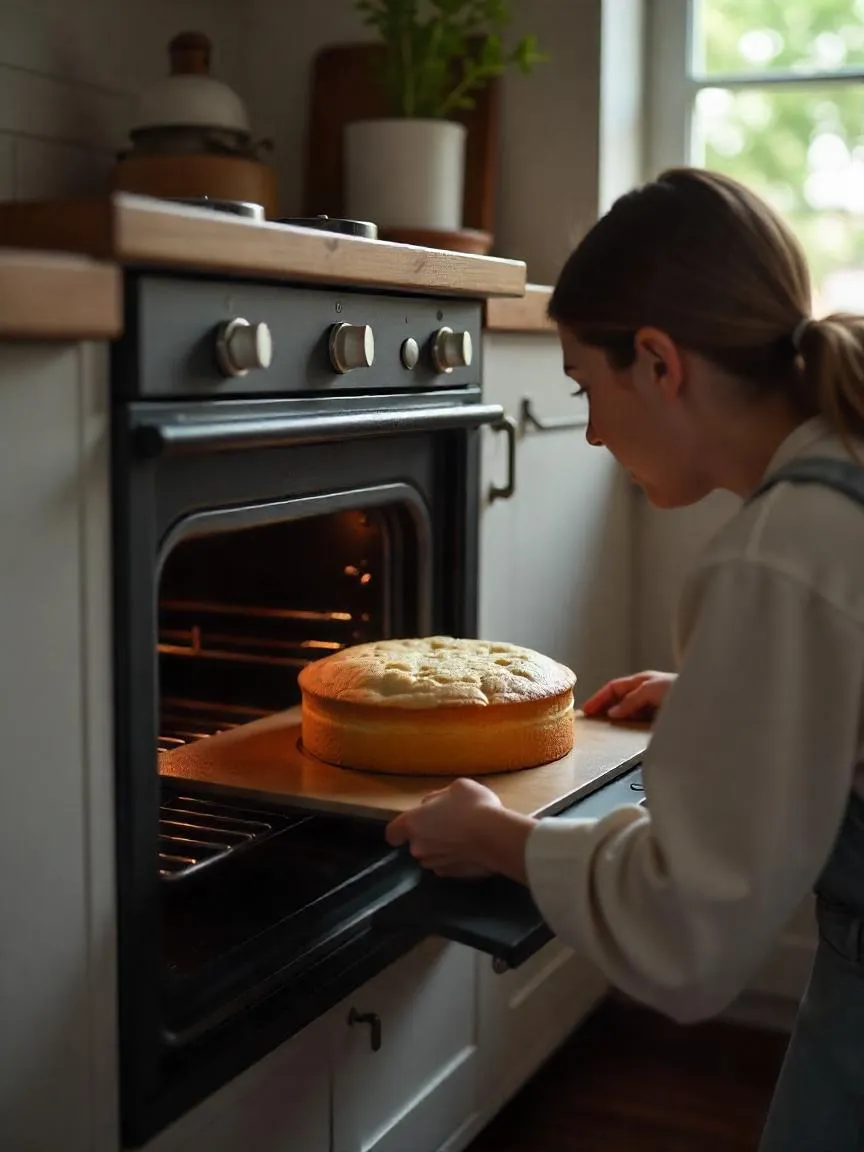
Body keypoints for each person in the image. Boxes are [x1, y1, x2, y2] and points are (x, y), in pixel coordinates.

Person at [385, 166, 864, 1150]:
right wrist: (728, 699)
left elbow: (692, 928)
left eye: (584, 388)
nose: (594, 432)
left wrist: (496, 838)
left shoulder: (776, 555)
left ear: (656, 360)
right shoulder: (842, 470)